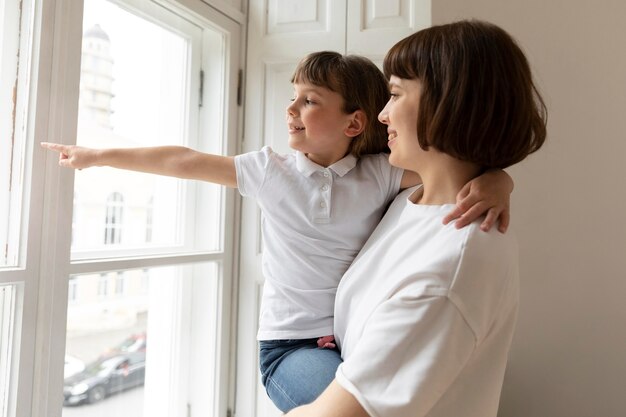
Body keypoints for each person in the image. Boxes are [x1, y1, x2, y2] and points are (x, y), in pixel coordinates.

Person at [41, 51, 514, 412]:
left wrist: (500, 179)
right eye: (293, 96)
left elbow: (452, 172)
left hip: (352, 339)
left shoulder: (380, 174)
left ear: (354, 122)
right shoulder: (270, 170)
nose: (291, 109)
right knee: (348, 400)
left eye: (309, 101)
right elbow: (183, 159)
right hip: (291, 348)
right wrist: (98, 156)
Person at [285, 20, 547, 417]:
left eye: (393, 95)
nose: (382, 115)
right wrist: (499, 177)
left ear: (451, 103)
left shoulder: (452, 264)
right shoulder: (410, 200)